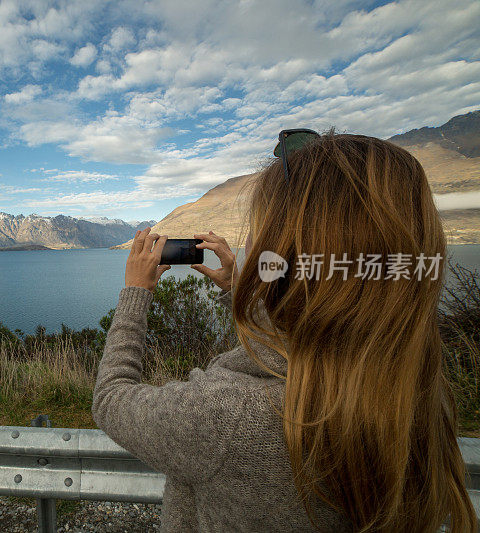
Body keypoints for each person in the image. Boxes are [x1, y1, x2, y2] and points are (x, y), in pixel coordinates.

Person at [92, 132, 477, 532]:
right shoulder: (418, 389)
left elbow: (111, 397)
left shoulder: (228, 416)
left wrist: (136, 293)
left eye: (262, 231)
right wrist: (235, 290)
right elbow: (305, 340)